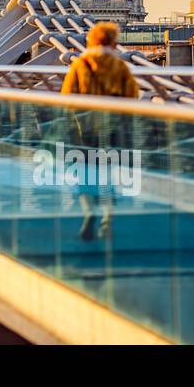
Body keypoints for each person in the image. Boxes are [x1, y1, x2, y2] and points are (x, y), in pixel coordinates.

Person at [60, 21, 139, 240]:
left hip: (83, 132)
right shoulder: (120, 66)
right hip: (112, 131)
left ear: (91, 40)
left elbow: (67, 97)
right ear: (114, 42)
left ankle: (88, 212)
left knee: (83, 177)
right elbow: (132, 97)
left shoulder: (80, 64)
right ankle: (107, 221)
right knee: (107, 178)